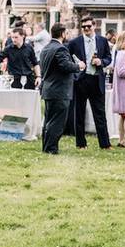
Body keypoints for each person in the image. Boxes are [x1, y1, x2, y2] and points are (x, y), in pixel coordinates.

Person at [68, 16, 112, 150]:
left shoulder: (103, 41)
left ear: (94, 26)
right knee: (79, 113)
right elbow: (68, 58)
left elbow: (108, 58)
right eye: (84, 27)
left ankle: (105, 144)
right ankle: (81, 144)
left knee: (100, 114)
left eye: (89, 26)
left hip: (97, 79)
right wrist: (76, 67)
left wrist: (101, 62)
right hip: (81, 80)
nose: (86, 29)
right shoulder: (74, 42)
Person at [40, 23, 85, 154]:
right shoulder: (60, 49)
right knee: (57, 122)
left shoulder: (46, 48)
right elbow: (65, 66)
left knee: (49, 121)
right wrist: (79, 66)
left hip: (48, 89)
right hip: (59, 90)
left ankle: (46, 147)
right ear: (63, 34)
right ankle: (51, 148)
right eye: (67, 32)